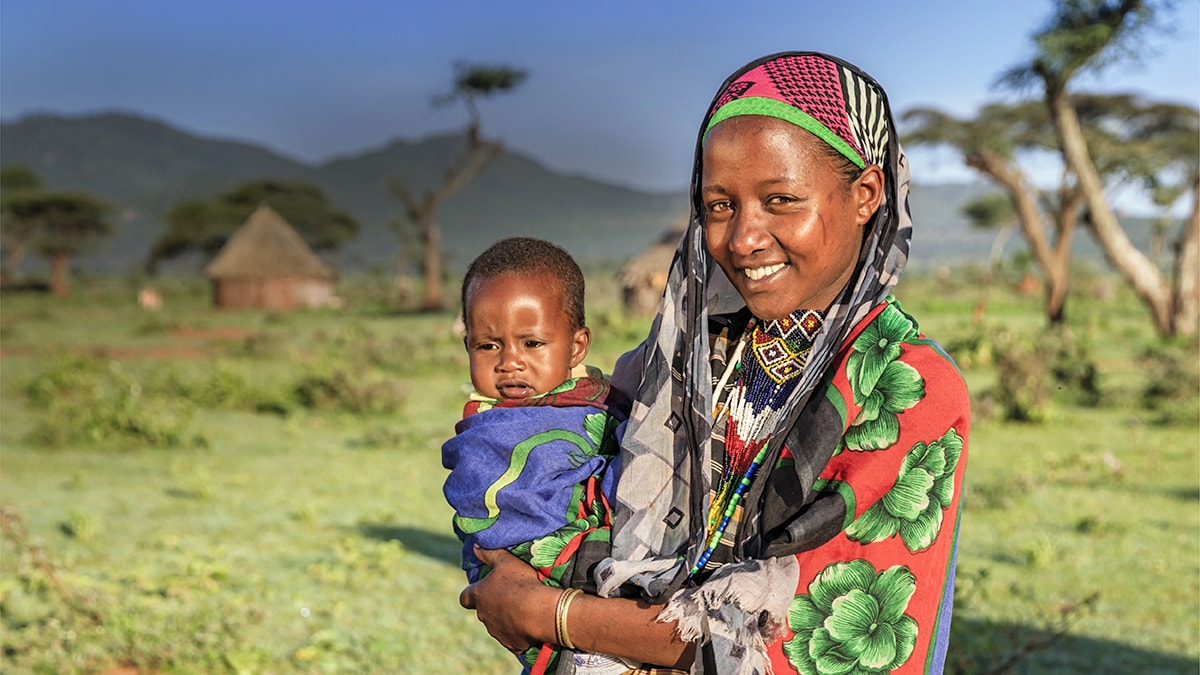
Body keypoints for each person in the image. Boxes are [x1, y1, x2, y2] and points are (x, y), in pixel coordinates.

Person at [460, 52, 970, 675]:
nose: (743, 238)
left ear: (866, 195)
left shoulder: (904, 385)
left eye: (781, 200)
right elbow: (557, 516)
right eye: (720, 205)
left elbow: (802, 644)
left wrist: (549, 614)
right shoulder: (675, 363)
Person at [443, 236, 630, 674]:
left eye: (531, 343)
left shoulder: (593, 397)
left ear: (577, 347)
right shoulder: (492, 432)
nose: (509, 362)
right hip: (547, 575)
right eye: (487, 346)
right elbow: (506, 521)